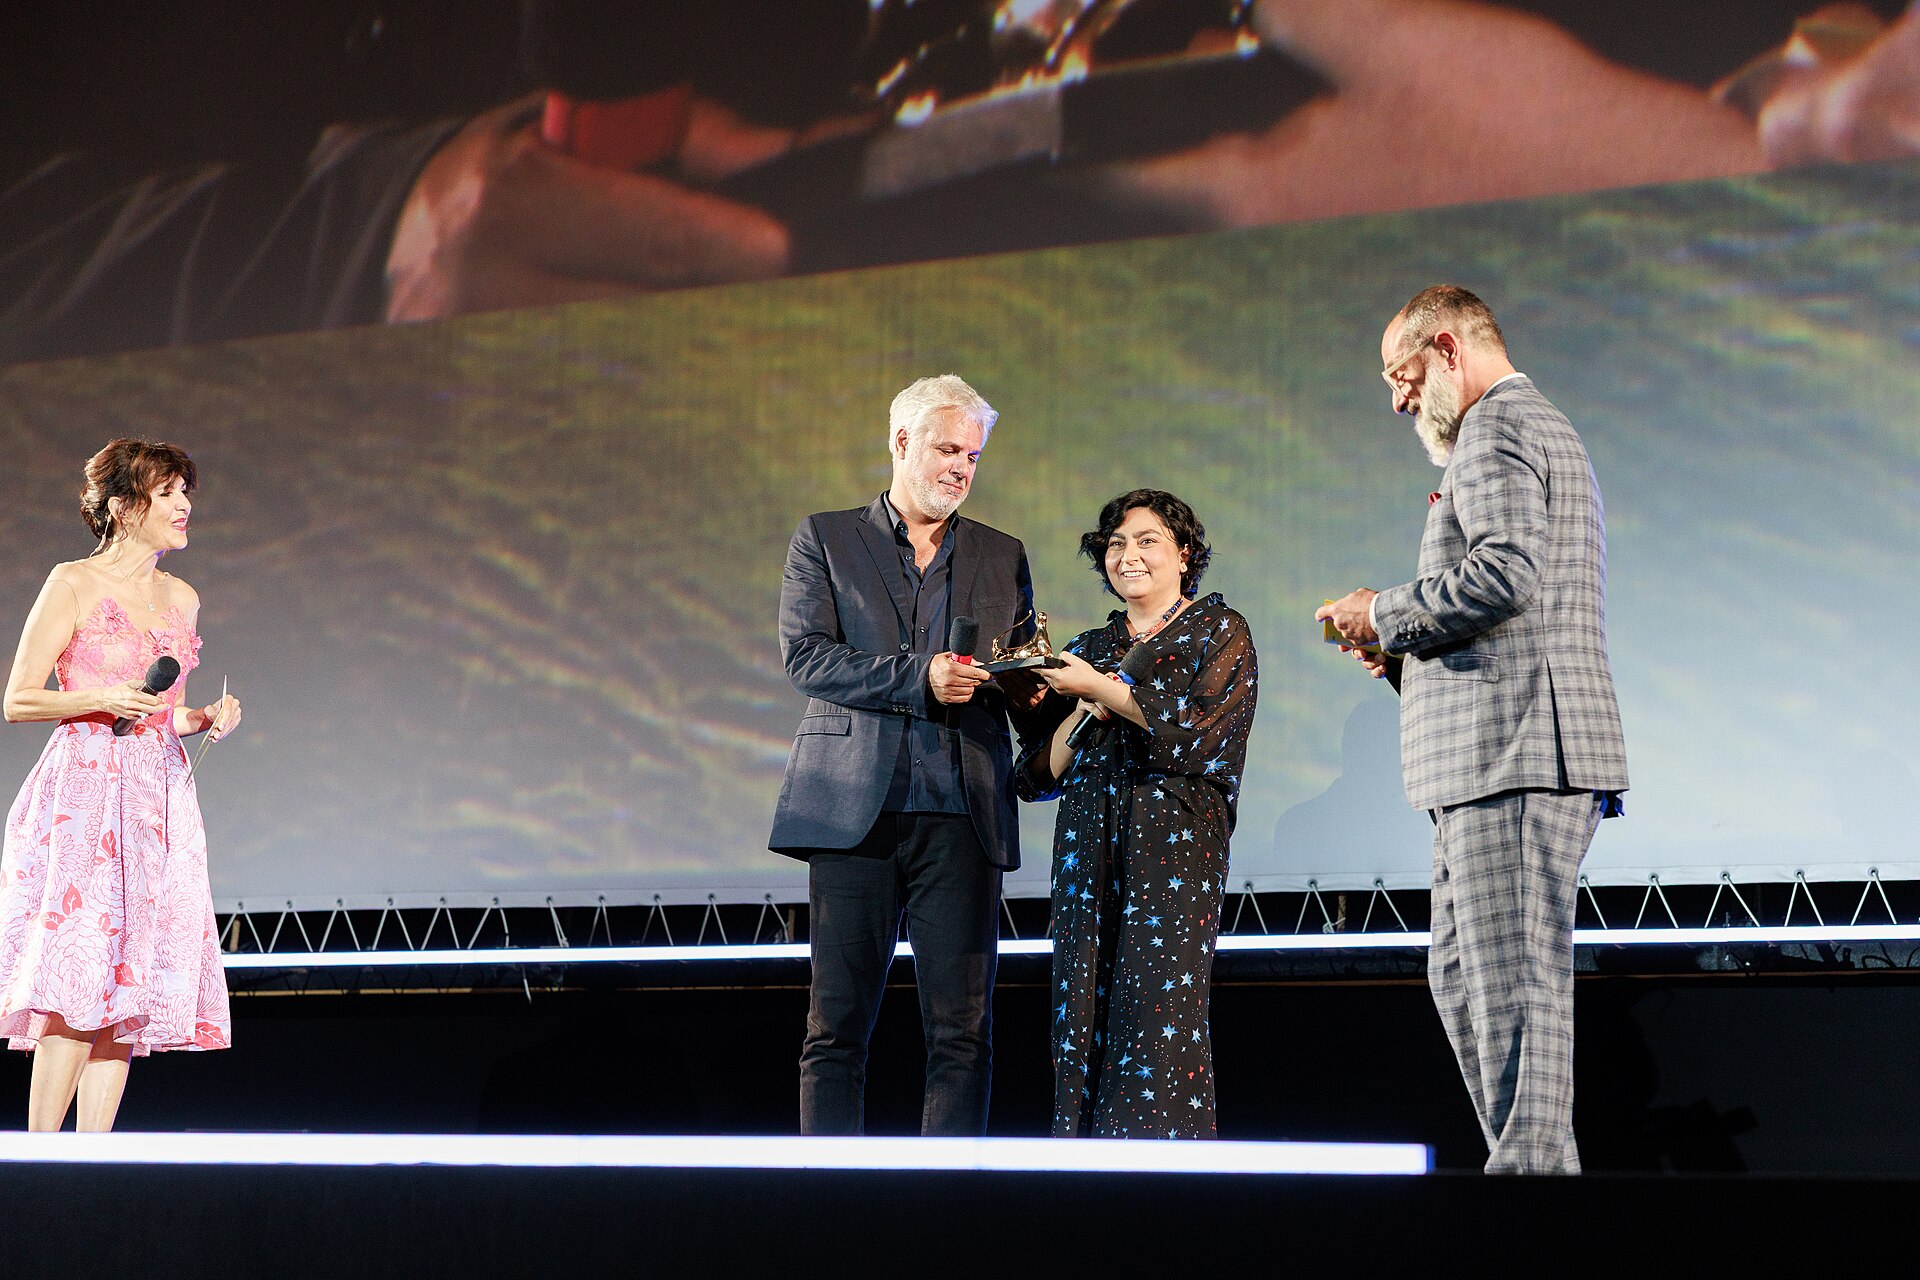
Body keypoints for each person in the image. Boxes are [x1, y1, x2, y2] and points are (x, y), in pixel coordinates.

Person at [1317, 285, 1628, 1173]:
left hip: (1516, 757)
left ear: (1448, 348)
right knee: (1466, 984)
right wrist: (1402, 657)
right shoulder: (1520, 427)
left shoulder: (1496, 428)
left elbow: (1506, 574)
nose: (1399, 400)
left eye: (1402, 375)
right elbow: (1522, 606)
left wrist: (1383, 612)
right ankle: (1531, 1178)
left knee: (1514, 996)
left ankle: (1530, 1197)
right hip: (1500, 752)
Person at [770, 374, 1045, 1136]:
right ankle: (832, 1194)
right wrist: (919, 679)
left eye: (973, 456)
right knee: (835, 1030)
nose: (961, 468)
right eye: (948, 449)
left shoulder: (1001, 553)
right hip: (852, 814)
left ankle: (947, 1197)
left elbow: (1018, 664)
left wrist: (1032, 692)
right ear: (901, 442)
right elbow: (808, 658)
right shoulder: (825, 538)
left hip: (963, 813)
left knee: (963, 1034)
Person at [0, 438, 243, 1132]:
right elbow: (18, 699)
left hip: (155, 798)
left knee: (128, 980)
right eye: (167, 493)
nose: (184, 505)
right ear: (123, 507)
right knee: (77, 970)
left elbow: (167, 713)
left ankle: (92, 1162)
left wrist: (204, 717)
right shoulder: (72, 582)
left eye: (184, 492)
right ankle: (40, 1162)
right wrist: (101, 696)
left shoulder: (182, 598)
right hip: (83, 790)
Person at [1020, 489, 1257, 1139]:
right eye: (1116, 544)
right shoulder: (1089, 645)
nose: (1129, 555)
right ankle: (1081, 1177)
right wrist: (1080, 708)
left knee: (1157, 1020)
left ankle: (1162, 1180)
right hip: (1087, 854)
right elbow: (1034, 776)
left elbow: (1199, 738)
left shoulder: (1218, 630)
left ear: (1185, 554)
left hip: (1173, 853)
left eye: (1148, 540)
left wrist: (1104, 689)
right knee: (1080, 1019)